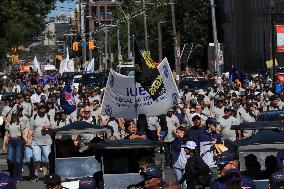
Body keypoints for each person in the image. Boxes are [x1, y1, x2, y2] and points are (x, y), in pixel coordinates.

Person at [27, 103, 56, 182]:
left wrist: (48, 127)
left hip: (47, 142)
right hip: (35, 141)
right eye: (40, 107)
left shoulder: (49, 116)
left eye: (43, 107)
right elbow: (30, 129)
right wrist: (28, 140)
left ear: (45, 108)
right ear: (38, 108)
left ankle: (45, 175)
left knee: (46, 160)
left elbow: (55, 127)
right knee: (37, 159)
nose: (42, 108)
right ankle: (35, 175)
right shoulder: (34, 117)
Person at [3, 112, 25, 183]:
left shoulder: (20, 123)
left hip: (18, 141)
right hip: (11, 141)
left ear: (17, 116)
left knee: (18, 160)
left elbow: (23, 133)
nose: (14, 117)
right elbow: (6, 134)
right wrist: (4, 145)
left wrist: (26, 141)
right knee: (10, 159)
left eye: (15, 116)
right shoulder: (8, 124)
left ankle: (17, 177)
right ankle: (12, 175)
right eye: (13, 116)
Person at [199, 117, 222, 181]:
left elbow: (221, 148)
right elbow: (197, 148)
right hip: (203, 164)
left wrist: (216, 144)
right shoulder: (201, 135)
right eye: (214, 124)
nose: (215, 126)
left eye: (216, 125)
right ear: (209, 125)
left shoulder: (217, 136)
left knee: (214, 182)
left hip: (213, 164)